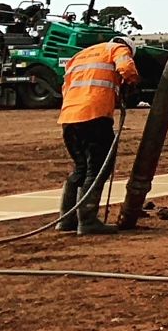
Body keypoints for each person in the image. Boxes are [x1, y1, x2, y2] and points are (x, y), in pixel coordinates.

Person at [57, 36, 139, 234]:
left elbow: (66, 86)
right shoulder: (118, 49)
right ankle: (87, 221)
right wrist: (132, 82)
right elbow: (126, 69)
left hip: (69, 117)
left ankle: (66, 221)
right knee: (98, 168)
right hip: (94, 116)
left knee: (80, 169)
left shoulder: (80, 55)